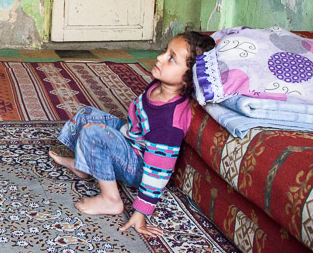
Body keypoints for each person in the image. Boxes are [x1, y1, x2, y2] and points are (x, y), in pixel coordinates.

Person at [49, 31, 216, 237]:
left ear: (189, 78)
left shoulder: (169, 123)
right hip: (131, 138)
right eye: (165, 52)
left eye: (171, 58)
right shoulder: (158, 85)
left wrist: (141, 212)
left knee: (93, 133)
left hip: (137, 165)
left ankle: (110, 200)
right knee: (87, 114)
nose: (160, 57)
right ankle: (84, 167)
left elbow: (158, 171)